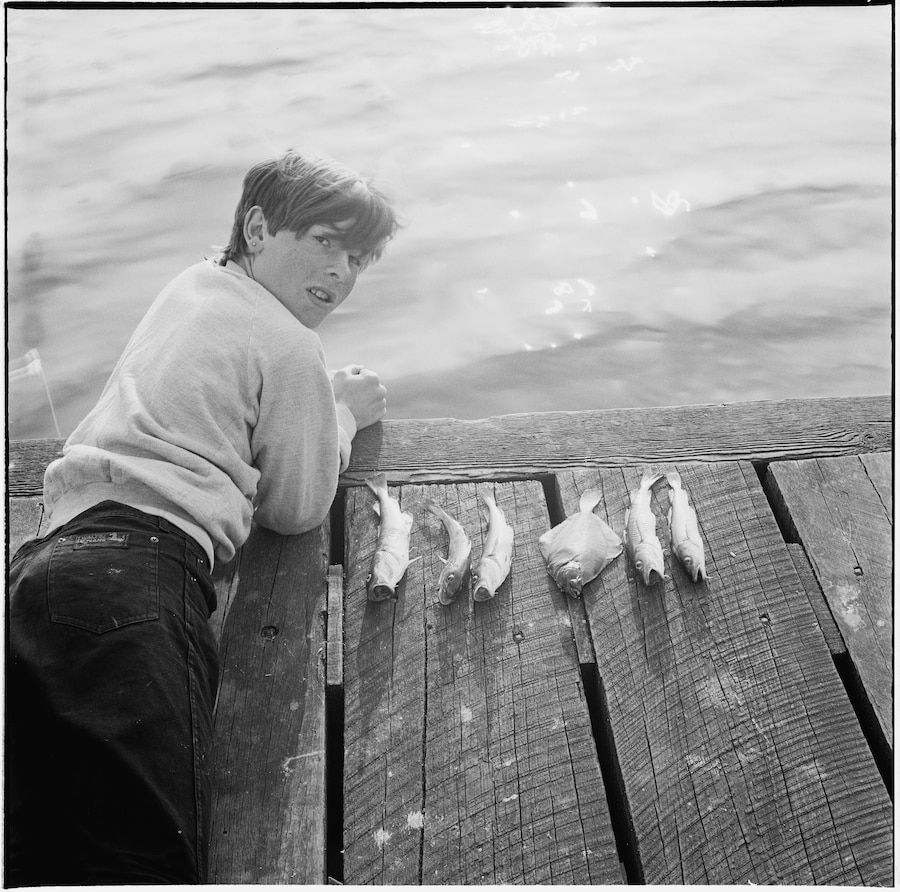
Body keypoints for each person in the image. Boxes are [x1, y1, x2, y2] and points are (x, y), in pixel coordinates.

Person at [5, 150, 398, 885]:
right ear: (256, 226)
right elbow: (298, 505)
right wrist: (340, 415)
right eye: (323, 241)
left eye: (359, 257)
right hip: (138, 585)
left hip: (39, 566)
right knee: (141, 854)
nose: (342, 272)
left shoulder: (190, 286)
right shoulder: (291, 345)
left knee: (32, 842)